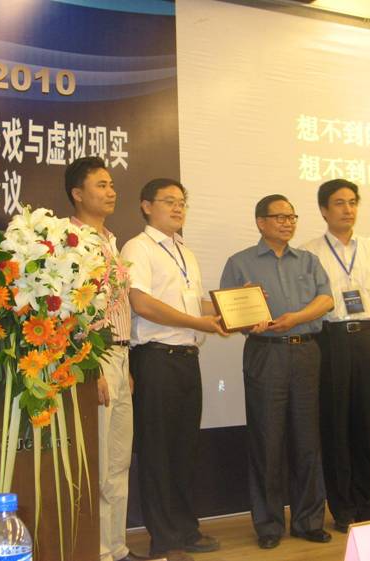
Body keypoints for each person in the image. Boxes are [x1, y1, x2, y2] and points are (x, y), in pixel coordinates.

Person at [120, 178, 226, 561]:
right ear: (146, 205)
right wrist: (198, 322)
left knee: (183, 450)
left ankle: (185, 530)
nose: (178, 208)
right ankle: (164, 540)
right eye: (169, 201)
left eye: (182, 202)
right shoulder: (138, 247)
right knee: (158, 453)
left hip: (185, 360)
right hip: (155, 360)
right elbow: (142, 303)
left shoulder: (185, 252)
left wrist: (233, 308)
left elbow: (192, 304)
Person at [220, 194, 333, 549]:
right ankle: (268, 525)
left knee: (307, 440)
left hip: (306, 352)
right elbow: (229, 314)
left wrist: (296, 318)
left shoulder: (309, 260)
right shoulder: (240, 262)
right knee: (266, 439)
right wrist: (245, 321)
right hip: (265, 353)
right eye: (280, 217)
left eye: (292, 217)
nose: (288, 223)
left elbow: (326, 299)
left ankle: (308, 521)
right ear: (261, 222)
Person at [302, 179, 370, 533]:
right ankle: (343, 507)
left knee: (365, 424)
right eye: (339, 203)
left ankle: (367, 503)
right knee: (334, 426)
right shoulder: (309, 253)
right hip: (330, 341)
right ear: (323, 210)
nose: (348, 209)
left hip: (366, 340)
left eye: (352, 202)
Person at [64, 157, 143, 561]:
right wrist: (91, 365)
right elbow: (71, 308)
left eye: (112, 184)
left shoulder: (110, 240)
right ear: (78, 194)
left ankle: (117, 548)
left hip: (120, 355)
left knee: (118, 462)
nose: (111, 192)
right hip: (93, 357)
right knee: (97, 463)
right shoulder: (69, 241)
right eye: (101, 185)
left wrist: (124, 363)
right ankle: (96, 552)